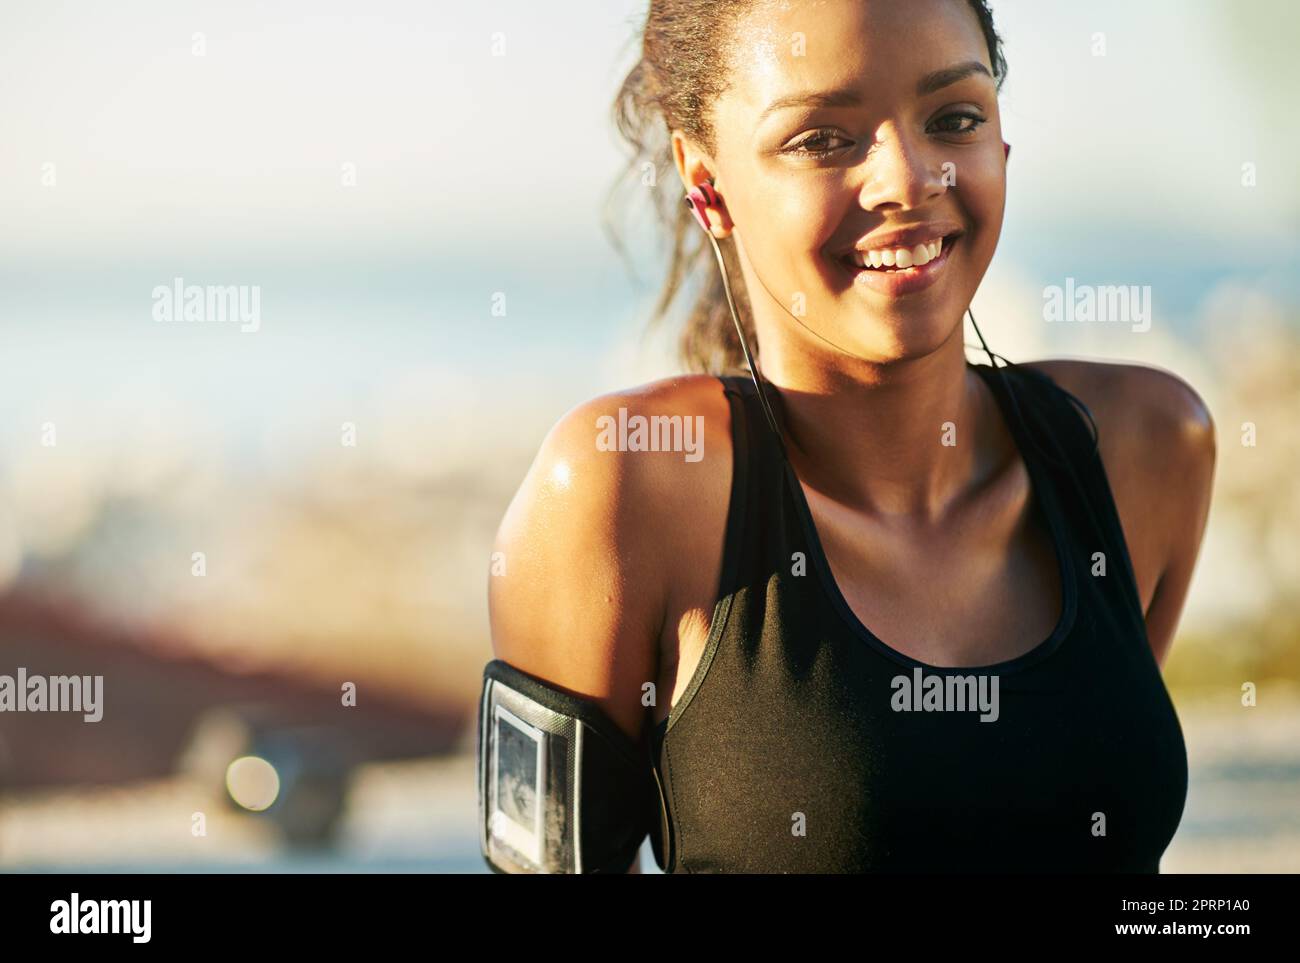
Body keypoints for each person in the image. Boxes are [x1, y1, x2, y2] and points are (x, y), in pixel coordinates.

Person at [485, 0, 1215, 873]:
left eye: (954, 118)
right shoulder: (623, 490)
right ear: (707, 186)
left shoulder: (1144, 445)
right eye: (821, 139)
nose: (909, 179)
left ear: (1002, 145)